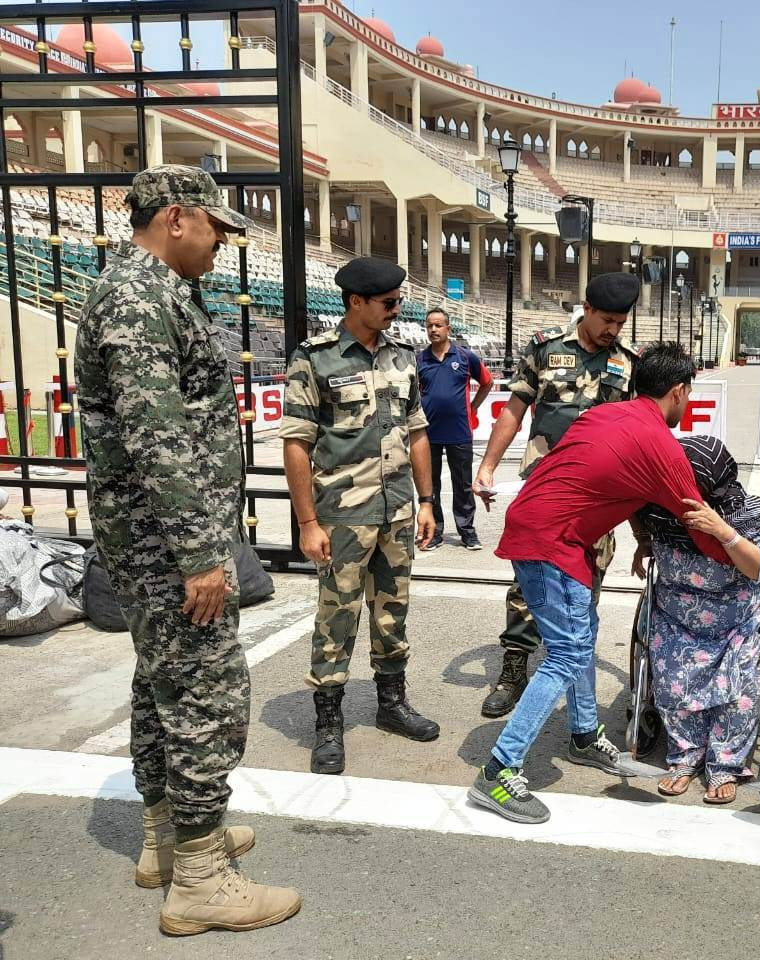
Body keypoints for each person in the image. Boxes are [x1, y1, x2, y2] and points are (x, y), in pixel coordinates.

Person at [75, 164, 300, 934]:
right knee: (206, 690)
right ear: (176, 217)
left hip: (155, 541)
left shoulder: (149, 292)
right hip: (169, 545)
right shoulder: (139, 299)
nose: (219, 245)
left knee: (162, 684)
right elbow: (156, 434)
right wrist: (202, 554)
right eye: (214, 228)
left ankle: (167, 840)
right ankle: (201, 876)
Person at [468, 343, 730, 824]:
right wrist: (739, 551)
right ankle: (498, 772)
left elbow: (609, 480)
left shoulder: (608, 414)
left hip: (550, 531)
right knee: (567, 653)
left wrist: (642, 537)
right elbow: (698, 520)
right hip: (551, 541)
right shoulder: (660, 444)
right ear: (678, 391)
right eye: (689, 394)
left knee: (580, 639)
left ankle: (584, 735)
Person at [281, 256, 440, 777]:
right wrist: (307, 522)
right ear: (356, 302)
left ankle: (391, 703)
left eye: (399, 302)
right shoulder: (315, 359)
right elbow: (298, 444)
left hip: (396, 510)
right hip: (342, 515)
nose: (397, 310)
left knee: (392, 611)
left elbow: (417, 431)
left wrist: (428, 500)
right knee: (337, 616)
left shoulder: (402, 357)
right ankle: (329, 720)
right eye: (389, 303)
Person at [473, 273, 641, 719]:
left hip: (599, 498)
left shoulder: (629, 362)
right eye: (607, 320)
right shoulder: (545, 348)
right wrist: (488, 465)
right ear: (586, 309)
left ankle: (569, 673)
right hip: (545, 492)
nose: (613, 330)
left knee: (588, 584)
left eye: (620, 322)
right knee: (529, 585)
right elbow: (514, 408)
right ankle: (513, 671)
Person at [636, 435, 760, 805]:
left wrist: (721, 531)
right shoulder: (660, 511)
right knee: (671, 682)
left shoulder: (741, 514)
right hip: (676, 617)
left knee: (739, 691)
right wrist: (642, 543)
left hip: (734, 619)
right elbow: (632, 512)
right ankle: (685, 756)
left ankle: (724, 764)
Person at [417, 306, 492, 551]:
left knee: (463, 484)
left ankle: (467, 532)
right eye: (430, 326)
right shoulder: (420, 360)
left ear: (448, 329)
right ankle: (435, 532)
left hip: (459, 431)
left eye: (438, 325)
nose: (433, 329)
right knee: (431, 485)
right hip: (428, 433)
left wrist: (472, 408)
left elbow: (487, 383)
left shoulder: (465, 357)